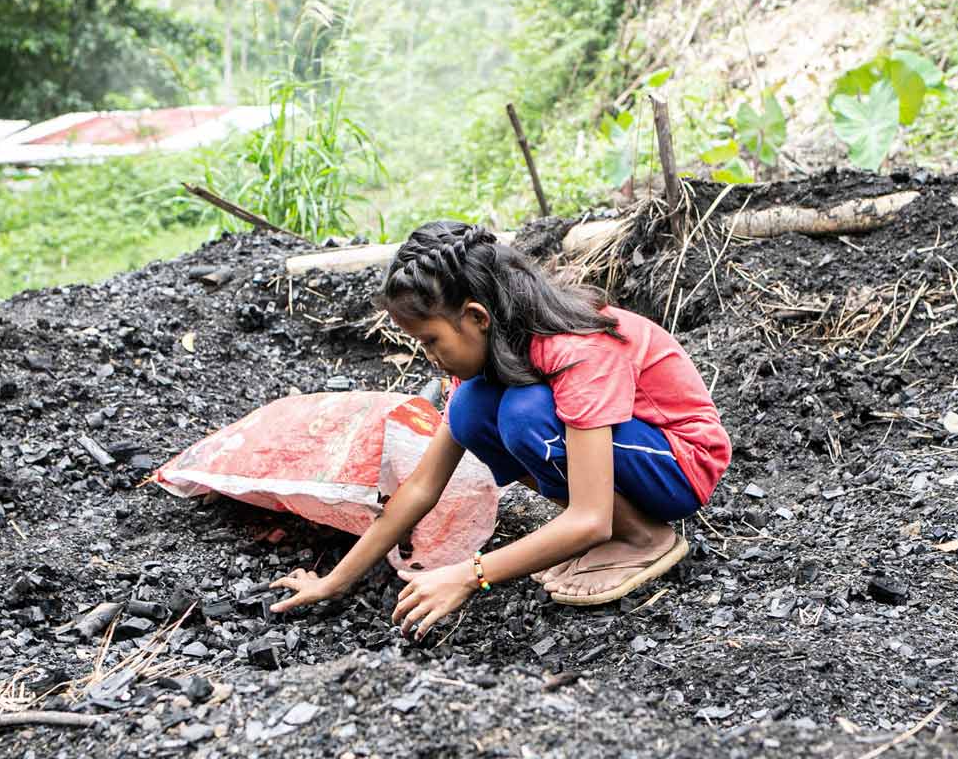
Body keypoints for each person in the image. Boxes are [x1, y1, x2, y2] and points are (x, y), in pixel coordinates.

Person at [270, 221, 731, 638]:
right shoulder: (493, 354)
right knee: (471, 410)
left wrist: (470, 574)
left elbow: (588, 515)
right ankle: (614, 533)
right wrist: (333, 582)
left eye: (431, 340)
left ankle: (643, 537)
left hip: (681, 462)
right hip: (628, 462)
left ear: (477, 317)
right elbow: (422, 488)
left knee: (524, 415)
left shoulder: (577, 351)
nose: (428, 356)